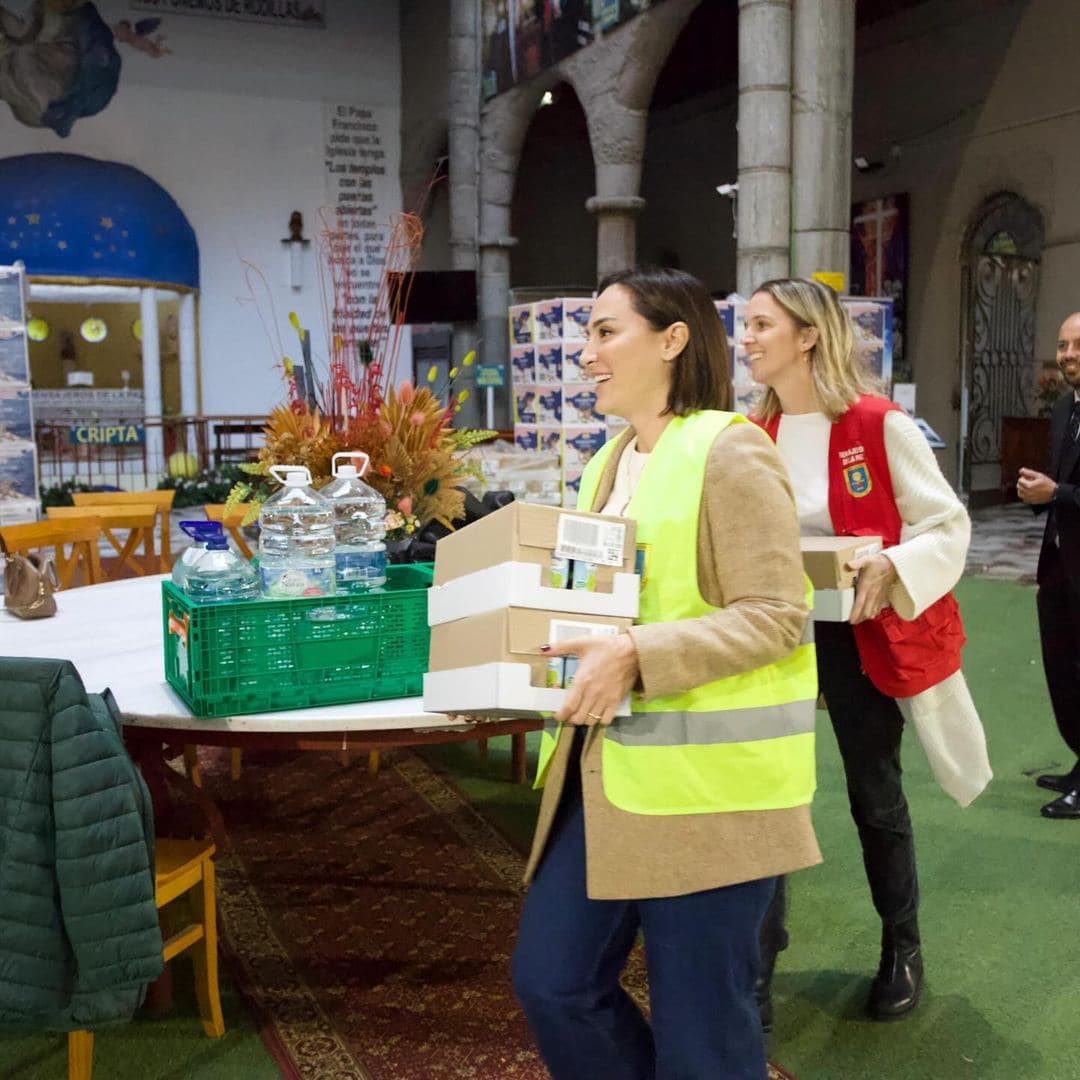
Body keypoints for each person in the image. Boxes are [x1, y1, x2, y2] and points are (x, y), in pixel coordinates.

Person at [511, 267, 822, 1080]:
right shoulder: (607, 462)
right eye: (585, 335)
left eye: (606, 332)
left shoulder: (730, 449)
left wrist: (640, 655)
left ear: (673, 339)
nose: (585, 354)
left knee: (704, 1038)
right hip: (601, 770)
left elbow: (776, 613)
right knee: (553, 983)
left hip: (710, 794)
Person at [744, 277, 971, 1020]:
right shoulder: (753, 433)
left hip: (861, 633)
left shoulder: (880, 424)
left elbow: (947, 526)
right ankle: (759, 963)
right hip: (778, 631)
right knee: (772, 794)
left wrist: (893, 564)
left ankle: (902, 946)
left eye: (760, 324)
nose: (746, 338)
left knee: (874, 793)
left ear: (808, 335)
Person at [1017, 311, 1080, 818]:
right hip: (1059, 565)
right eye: (1062, 346)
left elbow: (1065, 488)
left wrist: (1057, 491)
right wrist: (1039, 494)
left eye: (1077, 345)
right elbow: (1059, 485)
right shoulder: (1064, 408)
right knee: (1064, 670)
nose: (1068, 355)